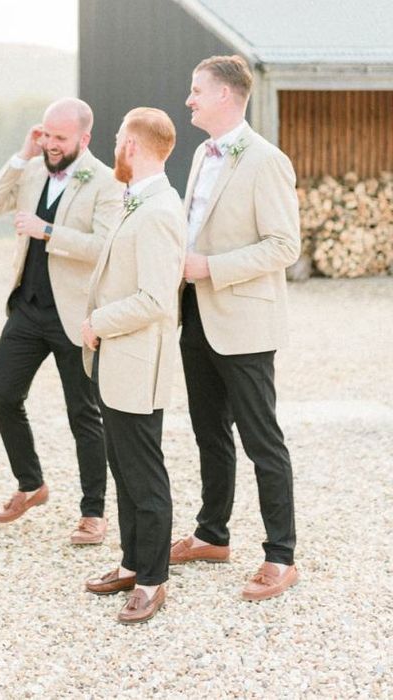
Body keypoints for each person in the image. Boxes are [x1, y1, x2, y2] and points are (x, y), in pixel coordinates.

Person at [173, 55, 301, 601]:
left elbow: (284, 246)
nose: (189, 99)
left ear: (225, 95)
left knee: (261, 440)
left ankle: (280, 555)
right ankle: (212, 534)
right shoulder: (202, 156)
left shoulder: (266, 160)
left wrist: (210, 268)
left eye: (197, 90)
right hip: (196, 314)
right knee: (208, 432)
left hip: (244, 320)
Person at [0, 98, 123, 544]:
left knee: (84, 413)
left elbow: (105, 245)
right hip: (27, 307)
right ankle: (31, 483)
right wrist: (22, 156)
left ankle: (93, 512)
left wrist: (48, 232)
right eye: (46, 134)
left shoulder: (106, 181)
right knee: (2, 395)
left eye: (60, 138)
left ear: (84, 138)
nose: (51, 144)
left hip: (74, 314)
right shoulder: (33, 167)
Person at [82, 108, 186, 623]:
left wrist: (98, 320)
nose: (114, 147)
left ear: (134, 147)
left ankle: (153, 579)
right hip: (115, 360)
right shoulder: (136, 201)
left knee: (145, 475)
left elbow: (156, 299)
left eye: (119, 139)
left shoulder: (161, 210)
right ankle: (131, 560)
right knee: (121, 466)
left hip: (138, 361)